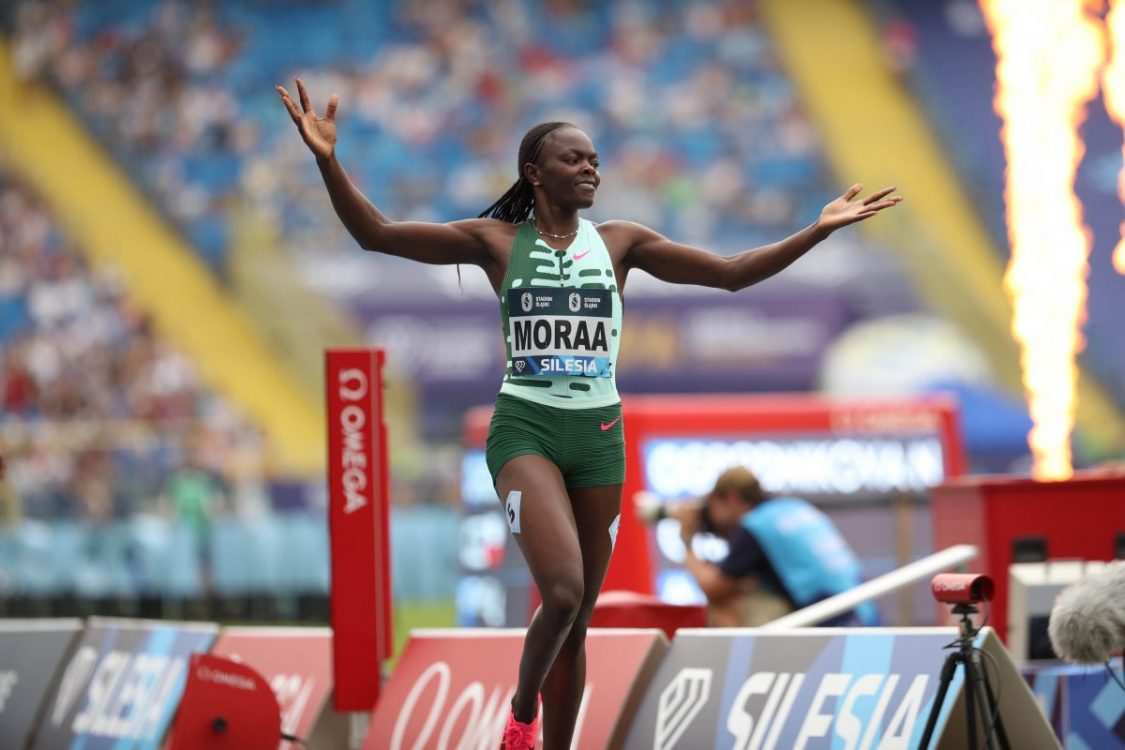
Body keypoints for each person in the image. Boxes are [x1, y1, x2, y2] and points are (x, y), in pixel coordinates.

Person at [277, 78, 901, 750]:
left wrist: (816, 229)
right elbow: (377, 235)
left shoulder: (619, 243)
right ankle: (520, 717)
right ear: (534, 173)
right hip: (527, 430)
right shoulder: (493, 241)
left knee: (577, 623)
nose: (590, 169)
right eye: (573, 159)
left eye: (594, 160)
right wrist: (326, 160)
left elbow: (729, 272)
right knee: (566, 592)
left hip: (600, 438)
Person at [669, 466, 879, 628]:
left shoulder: (755, 526)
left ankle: (738, 675)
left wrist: (687, 540)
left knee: (725, 604)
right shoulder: (792, 507)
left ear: (731, 498)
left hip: (830, 622)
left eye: (713, 506)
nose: (711, 517)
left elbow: (715, 590)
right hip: (864, 613)